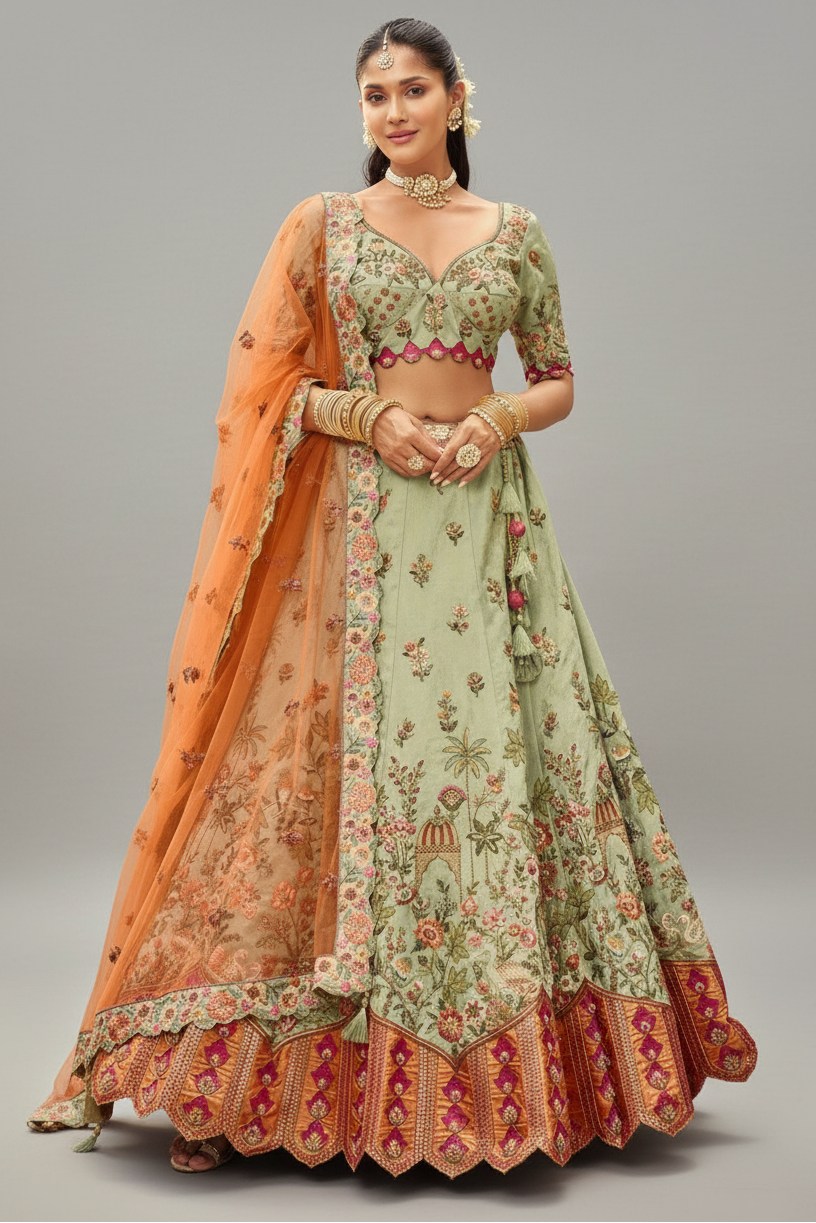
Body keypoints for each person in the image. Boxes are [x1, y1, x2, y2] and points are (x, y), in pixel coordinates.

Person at [28, 17, 756, 1178]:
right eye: (376, 94)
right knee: (308, 774)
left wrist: (493, 419)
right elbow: (265, 388)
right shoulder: (322, 225)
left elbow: (558, 379)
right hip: (353, 540)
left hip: (488, 531)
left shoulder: (515, 232)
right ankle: (233, 1082)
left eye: (415, 89)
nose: (395, 111)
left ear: (459, 98)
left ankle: (515, 1083)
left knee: (494, 772)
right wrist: (369, 416)